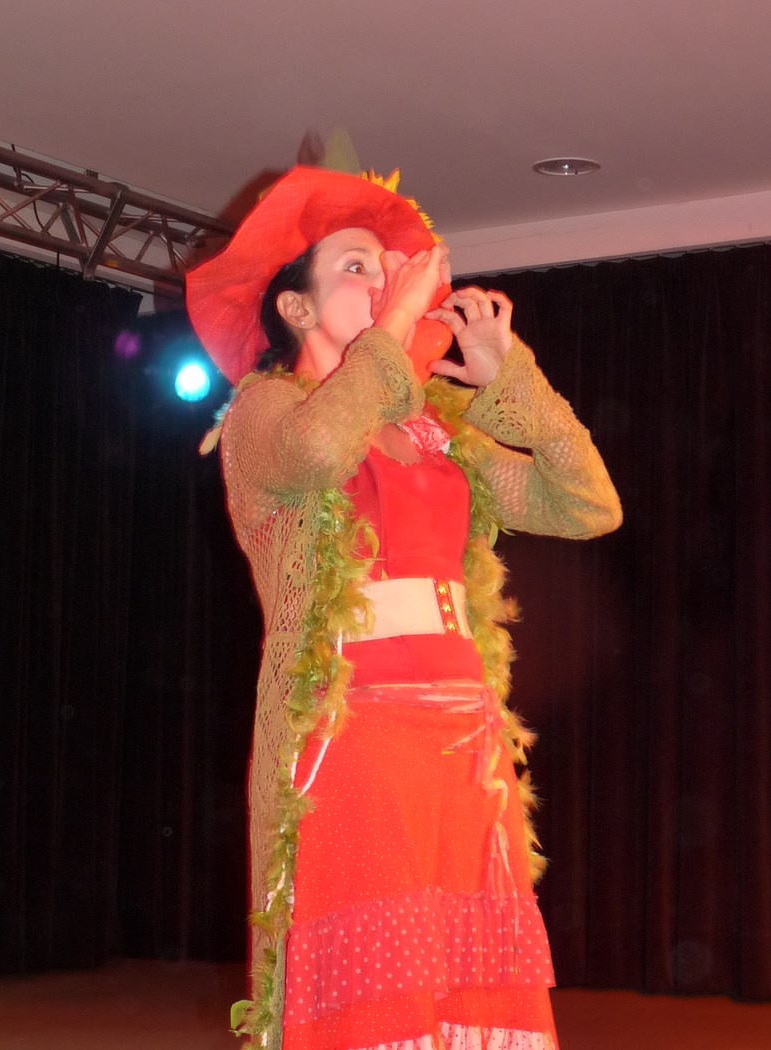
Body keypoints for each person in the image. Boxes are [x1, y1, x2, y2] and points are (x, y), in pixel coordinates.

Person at [186, 165, 622, 1050]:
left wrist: (510, 377)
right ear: (296, 308)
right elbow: (319, 452)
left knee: (463, 989)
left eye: (389, 268)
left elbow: (588, 506)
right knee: (378, 996)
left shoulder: (438, 434)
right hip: (353, 735)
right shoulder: (264, 415)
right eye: (356, 267)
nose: (384, 280)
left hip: (464, 743)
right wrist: (392, 332)